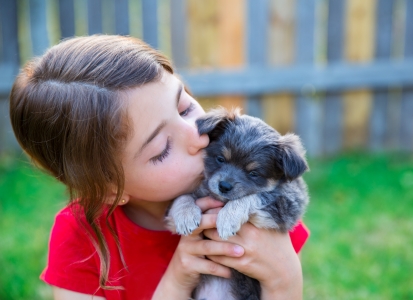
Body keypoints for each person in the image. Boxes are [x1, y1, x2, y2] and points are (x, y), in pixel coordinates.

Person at [9, 35, 309, 300]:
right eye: (162, 149)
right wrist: (178, 279)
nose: (196, 135)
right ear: (111, 187)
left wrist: (284, 279)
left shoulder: (257, 216)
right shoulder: (80, 238)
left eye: (185, 108)